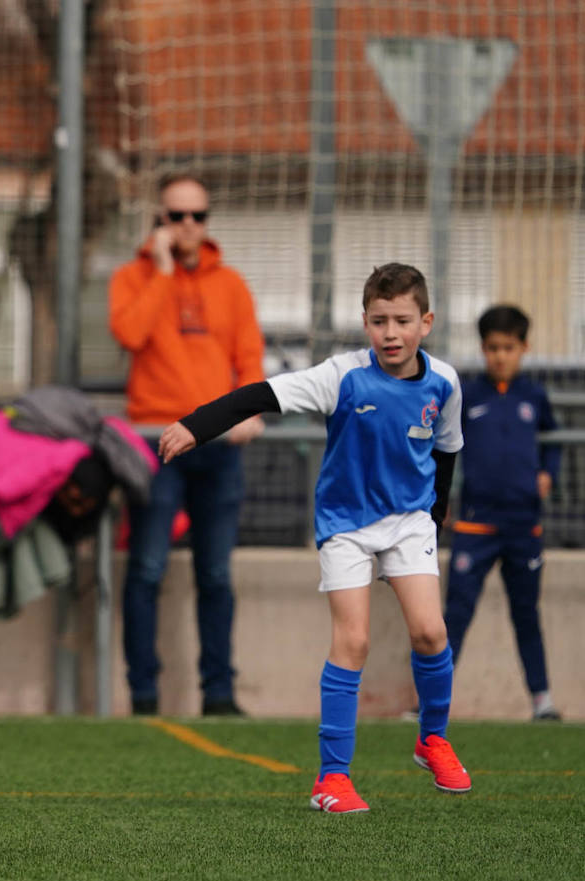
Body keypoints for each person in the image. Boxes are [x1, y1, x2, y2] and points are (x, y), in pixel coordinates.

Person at [158, 263, 471, 813]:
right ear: (364, 322)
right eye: (379, 321)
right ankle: (332, 780)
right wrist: (195, 426)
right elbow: (258, 394)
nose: (390, 333)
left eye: (402, 321)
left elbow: (446, 450)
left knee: (430, 631)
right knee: (353, 641)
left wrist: (436, 513)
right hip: (346, 524)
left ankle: (433, 738)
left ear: (427, 322)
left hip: (409, 521)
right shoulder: (341, 375)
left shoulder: (445, 381)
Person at [107, 173, 266, 716]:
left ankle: (219, 694)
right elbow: (130, 334)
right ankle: (144, 696)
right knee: (147, 569)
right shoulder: (134, 277)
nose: (189, 226)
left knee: (216, 575)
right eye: (176, 216)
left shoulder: (232, 285)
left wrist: (248, 413)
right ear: (160, 220)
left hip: (218, 447)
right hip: (157, 445)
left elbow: (249, 359)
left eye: (198, 216)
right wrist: (163, 272)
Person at [443, 304, 562, 721]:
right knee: (455, 613)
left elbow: (554, 442)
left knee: (526, 614)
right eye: (493, 348)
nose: (500, 356)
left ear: (524, 348)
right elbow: (442, 447)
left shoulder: (535, 396)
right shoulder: (467, 396)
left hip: (522, 524)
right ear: (482, 348)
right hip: (475, 523)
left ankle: (542, 701)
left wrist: (548, 473)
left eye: (509, 348)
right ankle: (429, 702)